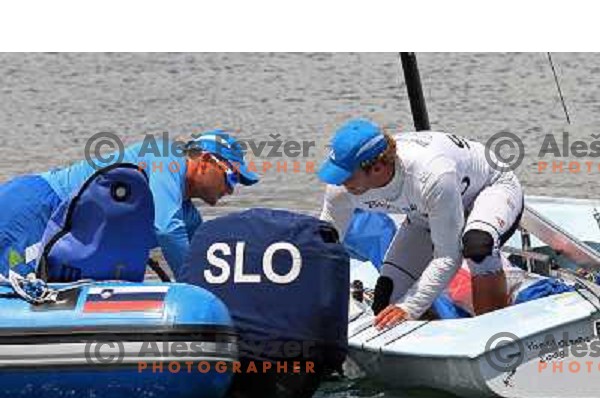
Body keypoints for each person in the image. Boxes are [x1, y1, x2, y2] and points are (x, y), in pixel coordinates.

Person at [318, 119, 524, 328]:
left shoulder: (430, 175)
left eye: (346, 177)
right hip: (425, 211)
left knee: (477, 245)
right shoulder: (341, 189)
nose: (339, 183)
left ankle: (494, 334)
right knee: (385, 304)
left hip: (490, 188)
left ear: (378, 168)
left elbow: (447, 257)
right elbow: (323, 249)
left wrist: (409, 308)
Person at [0, 129, 259, 279]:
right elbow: (167, 230)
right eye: (231, 176)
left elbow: (198, 260)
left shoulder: (188, 217)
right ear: (205, 162)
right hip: (38, 204)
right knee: (13, 287)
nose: (231, 189)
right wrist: (197, 291)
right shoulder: (165, 155)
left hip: (63, 227)